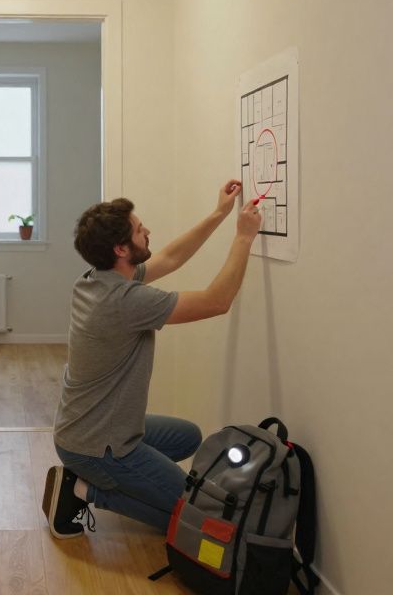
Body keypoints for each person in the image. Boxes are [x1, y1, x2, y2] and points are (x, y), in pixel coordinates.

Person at [41, 179, 262, 537]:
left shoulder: (95, 279)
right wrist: (244, 237)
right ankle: (84, 489)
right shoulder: (123, 302)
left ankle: (99, 479)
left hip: (86, 430)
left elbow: (171, 257)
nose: (148, 232)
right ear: (120, 249)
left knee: (187, 437)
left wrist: (220, 213)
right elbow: (216, 302)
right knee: (198, 522)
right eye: (139, 230)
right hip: (97, 447)